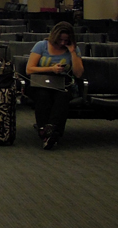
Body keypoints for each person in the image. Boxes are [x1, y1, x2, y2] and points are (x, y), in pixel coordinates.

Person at [27, 22, 83, 150]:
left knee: (62, 96)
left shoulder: (73, 49)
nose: (63, 43)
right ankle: (49, 131)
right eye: (60, 39)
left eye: (66, 40)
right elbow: (29, 69)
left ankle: (49, 130)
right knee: (43, 95)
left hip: (62, 82)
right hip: (40, 82)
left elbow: (78, 74)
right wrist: (51, 69)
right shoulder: (41, 46)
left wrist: (73, 52)